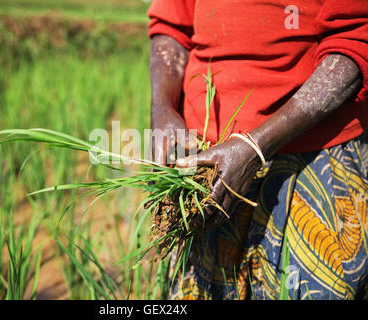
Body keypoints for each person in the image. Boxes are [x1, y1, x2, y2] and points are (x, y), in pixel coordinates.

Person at [148, 0, 367, 299]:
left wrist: (255, 146)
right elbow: (172, 25)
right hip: (203, 165)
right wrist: (162, 106)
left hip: (311, 155)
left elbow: (356, 37)